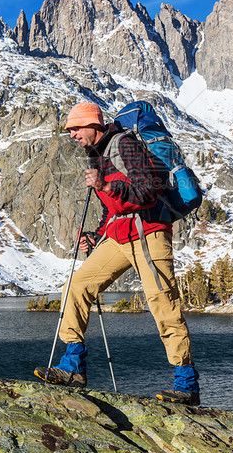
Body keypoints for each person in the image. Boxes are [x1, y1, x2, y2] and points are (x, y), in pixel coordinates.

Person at [34, 101, 200, 405]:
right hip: (119, 235)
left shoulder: (125, 146)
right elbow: (113, 210)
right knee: (78, 285)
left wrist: (106, 186)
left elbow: (148, 192)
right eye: (70, 130)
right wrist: (95, 237)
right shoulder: (96, 156)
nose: (72, 135)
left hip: (149, 232)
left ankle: (186, 383)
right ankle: (73, 367)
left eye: (75, 128)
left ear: (92, 125)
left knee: (163, 303)